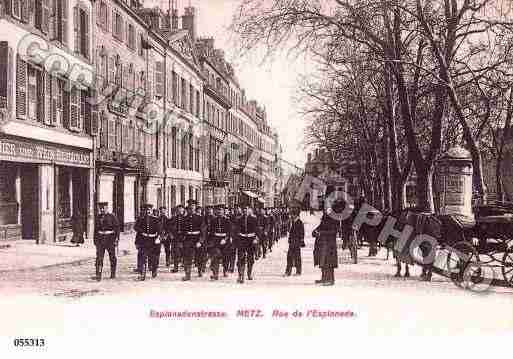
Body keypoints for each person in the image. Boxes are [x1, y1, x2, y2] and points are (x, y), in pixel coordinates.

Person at [312, 200, 345, 286]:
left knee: (329, 262)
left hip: (330, 243)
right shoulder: (326, 216)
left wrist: (321, 233)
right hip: (323, 242)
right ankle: (324, 278)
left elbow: (334, 231)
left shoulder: (334, 217)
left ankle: (330, 279)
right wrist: (315, 230)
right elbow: (321, 225)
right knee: (322, 260)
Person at [93, 202, 120, 281]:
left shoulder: (112, 217)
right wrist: (95, 240)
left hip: (110, 240)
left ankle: (113, 273)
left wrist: (116, 239)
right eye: (100, 208)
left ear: (107, 208)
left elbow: (117, 229)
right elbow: (96, 230)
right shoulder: (98, 217)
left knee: (112, 257)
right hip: (100, 240)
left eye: (103, 208)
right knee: (99, 258)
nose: (101, 210)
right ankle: (98, 274)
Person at [134, 204, 161, 280]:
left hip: (153, 241)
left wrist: (158, 238)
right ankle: (143, 274)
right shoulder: (141, 219)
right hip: (144, 240)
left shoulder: (155, 219)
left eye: (149, 210)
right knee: (143, 257)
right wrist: (137, 242)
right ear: (144, 211)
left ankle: (154, 270)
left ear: (151, 211)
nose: (147, 212)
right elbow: (136, 228)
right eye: (146, 210)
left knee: (154, 257)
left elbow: (159, 230)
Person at [207, 204, 231, 280]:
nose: (219, 212)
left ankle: (225, 270)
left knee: (226, 257)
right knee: (215, 256)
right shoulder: (213, 220)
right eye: (218, 210)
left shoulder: (227, 220)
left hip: (225, 240)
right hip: (216, 240)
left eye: (221, 210)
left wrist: (226, 239)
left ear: (224, 211)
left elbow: (229, 232)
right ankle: (215, 274)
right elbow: (211, 232)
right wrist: (211, 241)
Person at [182, 199, 204, 281]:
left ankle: (200, 270)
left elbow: (203, 231)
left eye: (193, 207)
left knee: (199, 257)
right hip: (188, 240)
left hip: (197, 239)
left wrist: (200, 241)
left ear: (195, 208)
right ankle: (187, 274)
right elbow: (183, 231)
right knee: (187, 257)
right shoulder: (184, 218)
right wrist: (183, 240)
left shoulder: (200, 218)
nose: (191, 209)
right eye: (190, 207)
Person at [236, 206, 258, 284]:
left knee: (250, 258)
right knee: (241, 257)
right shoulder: (239, 219)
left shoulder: (254, 219)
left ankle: (249, 273)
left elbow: (257, 230)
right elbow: (237, 230)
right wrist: (238, 238)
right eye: (244, 209)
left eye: (247, 209)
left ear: (250, 210)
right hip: (242, 240)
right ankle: (241, 275)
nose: (245, 210)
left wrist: (256, 238)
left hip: (251, 240)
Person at [284, 207, 305, 276]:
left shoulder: (299, 223)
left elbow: (302, 234)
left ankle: (298, 271)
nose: (291, 216)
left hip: (296, 243)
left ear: (295, 215)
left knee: (296, 257)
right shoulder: (294, 222)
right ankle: (289, 271)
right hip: (292, 242)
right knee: (290, 257)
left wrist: (300, 241)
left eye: (292, 215)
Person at [169, 204, 186, 273]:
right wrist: (171, 235)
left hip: (184, 238)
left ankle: (185, 266)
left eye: (181, 210)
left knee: (185, 252)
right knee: (176, 253)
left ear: (183, 210)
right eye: (178, 210)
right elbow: (169, 228)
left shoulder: (186, 218)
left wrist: (185, 236)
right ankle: (176, 268)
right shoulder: (173, 219)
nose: (180, 211)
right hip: (175, 238)